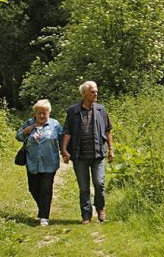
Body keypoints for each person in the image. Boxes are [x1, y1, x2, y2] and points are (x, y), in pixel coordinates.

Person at [62, 81, 114, 224]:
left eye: (96, 91)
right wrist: (64, 149)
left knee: (99, 183)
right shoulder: (72, 111)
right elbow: (67, 132)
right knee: (84, 187)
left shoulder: (101, 110)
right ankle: (86, 215)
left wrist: (111, 149)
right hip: (79, 156)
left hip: (98, 155)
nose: (96, 94)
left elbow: (108, 131)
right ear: (84, 93)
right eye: (92, 92)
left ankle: (101, 209)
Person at [16, 99, 63, 226]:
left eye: (45, 113)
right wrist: (28, 130)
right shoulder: (29, 123)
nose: (42, 115)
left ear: (49, 113)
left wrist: (65, 152)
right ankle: (42, 208)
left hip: (50, 162)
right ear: (35, 113)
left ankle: (44, 217)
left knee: (46, 189)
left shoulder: (55, 125)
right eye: (39, 113)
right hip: (32, 163)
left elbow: (62, 139)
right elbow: (18, 137)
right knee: (33, 188)